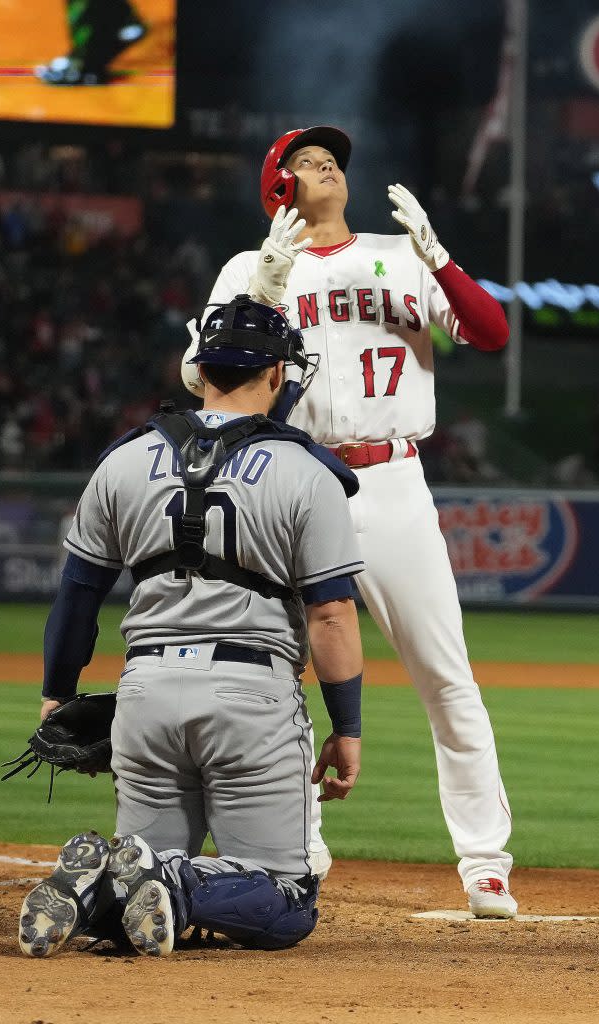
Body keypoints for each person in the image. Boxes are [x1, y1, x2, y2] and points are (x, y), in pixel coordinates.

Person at [184, 126, 517, 919]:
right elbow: (200, 375)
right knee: (275, 677)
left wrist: (438, 259)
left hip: (394, 478)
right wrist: (259, 291)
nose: (323, 164)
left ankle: (484, 864)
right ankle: (296, 844)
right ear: (277, 189)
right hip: (292, 479)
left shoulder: (400, 253)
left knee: (445, 675)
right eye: (302, 160)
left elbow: (491, 334)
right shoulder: (247, 266)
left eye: (329, 157)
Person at [18, 295, 365, 958]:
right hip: (250, 700)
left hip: (144, 695)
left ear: (199, 370)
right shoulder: (304, 471)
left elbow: (77, 595)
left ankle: (94, 889)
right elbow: (329, 613)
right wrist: (345, 727)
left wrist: (57, 695)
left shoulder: (122, 460)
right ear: (275, 376)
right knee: (285, 900)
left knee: (140, 883)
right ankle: (168, 883)